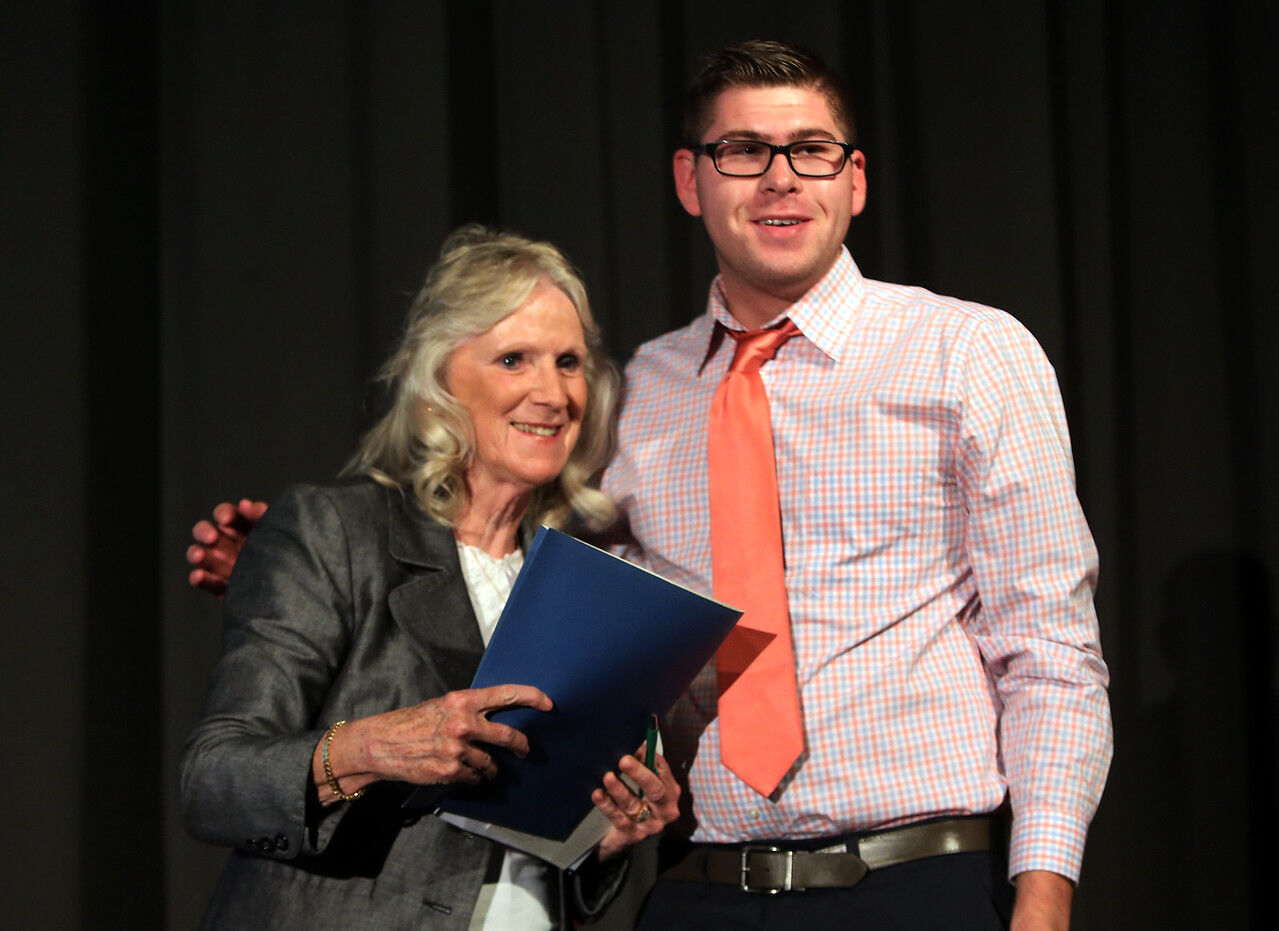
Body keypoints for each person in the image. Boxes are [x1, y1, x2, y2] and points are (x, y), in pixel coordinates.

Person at [189, 40, 1111, 931]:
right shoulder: (639, 395)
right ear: (690, 180)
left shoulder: (967, 352)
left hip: (915, 880)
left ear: (855, 179)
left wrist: (1042, 901)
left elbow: (1050, 648)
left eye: (811, 151)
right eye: (742, 151)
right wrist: (299, 564)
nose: (780, 176)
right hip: (697, 887)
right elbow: (534, 592)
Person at [180, 227, 679, 930]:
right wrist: (371, 746)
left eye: (569, 362)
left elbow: (534, 843)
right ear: (441, 375)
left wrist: (608, 835)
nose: (552, 391)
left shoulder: (586, 582)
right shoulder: (334, 530)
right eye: (514, 359)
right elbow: (212, 780)